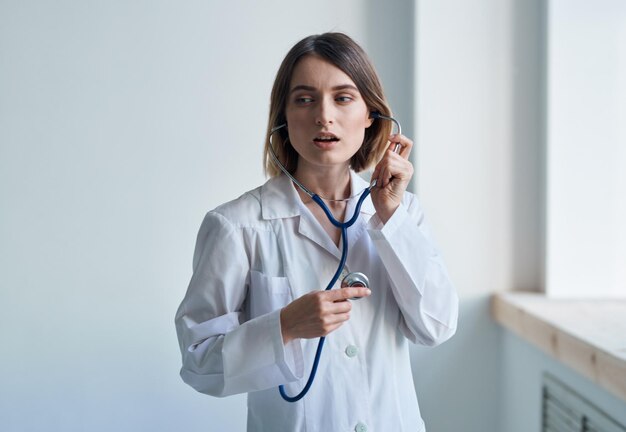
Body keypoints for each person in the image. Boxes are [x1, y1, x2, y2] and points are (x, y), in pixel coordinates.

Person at [175, 32, 458, 432]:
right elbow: (198, 362)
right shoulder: (237, 226)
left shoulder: (402, 213)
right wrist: (285, 325)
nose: (323, 116)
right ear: (284, 118)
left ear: (371, 116)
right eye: (304, 99)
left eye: (343, 98)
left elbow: (436, 326)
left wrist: (391, 215)